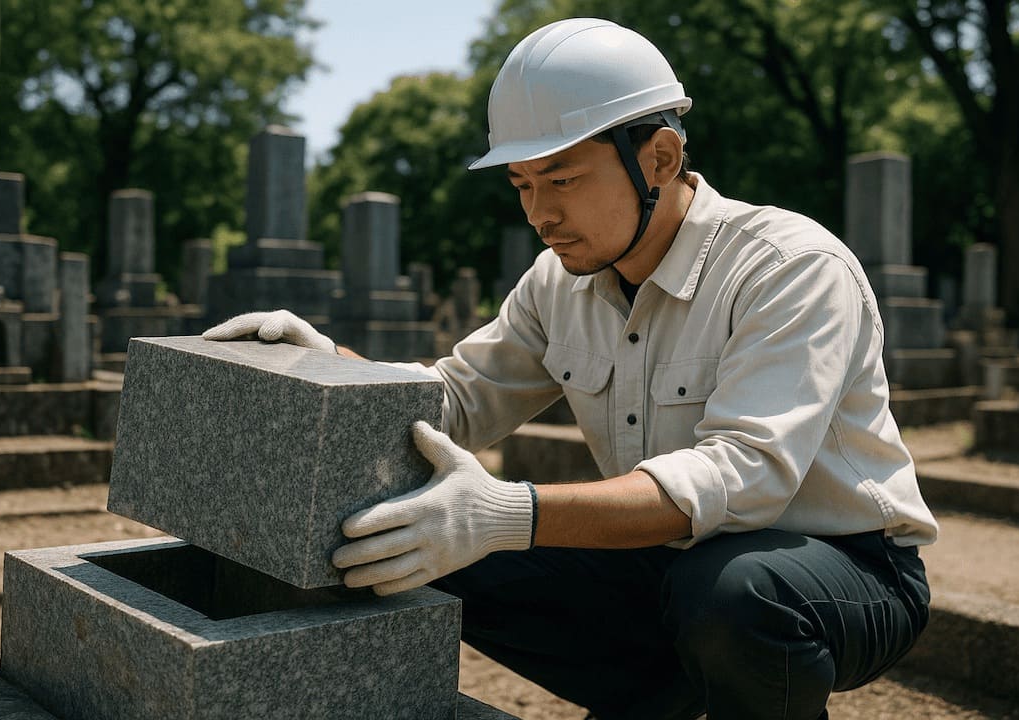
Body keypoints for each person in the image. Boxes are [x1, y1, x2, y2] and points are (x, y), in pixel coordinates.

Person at [204, 17, 936, 720]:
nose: (538, 214)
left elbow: (743, 475)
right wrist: (329, 365)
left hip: (844, 569)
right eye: (521, 184)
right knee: (405, 536)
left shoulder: (788, 267)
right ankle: (653, 697)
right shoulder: (559, 283)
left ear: (659, 158)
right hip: (670, 560)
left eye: (561, 180)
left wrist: (508, 512)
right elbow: (453, 401)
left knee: (733, 597)